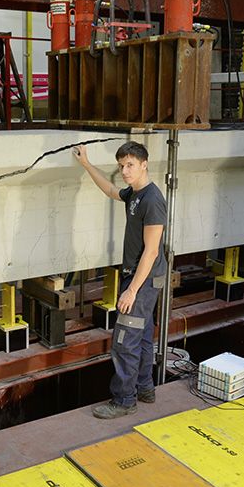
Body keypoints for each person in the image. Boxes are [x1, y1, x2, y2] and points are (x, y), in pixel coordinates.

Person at [73, 141, 167, 419]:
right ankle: (145, 387)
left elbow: (151, 251)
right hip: (144, 278)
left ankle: (125, 400)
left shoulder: (152, 200)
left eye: (130, 165)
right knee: (143, 335)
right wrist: (87, 164)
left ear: (144, 164)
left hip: (143, 279)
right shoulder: (135, 194)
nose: (124, 171)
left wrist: (131, 292)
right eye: (121, 166)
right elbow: (112, 190)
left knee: (125, 340)